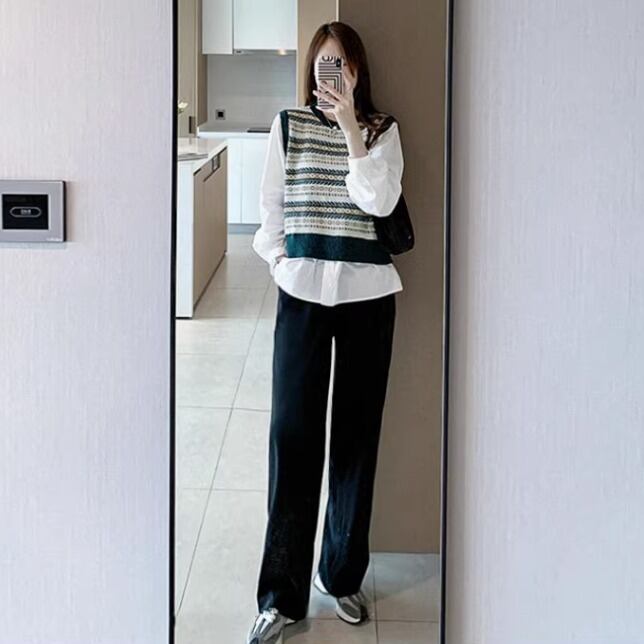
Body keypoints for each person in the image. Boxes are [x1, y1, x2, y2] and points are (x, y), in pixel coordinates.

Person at [246, 20, 404, 644]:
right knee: (292, 437)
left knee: (357, 441)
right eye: (324, 63)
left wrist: (350, 131)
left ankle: (339, 576)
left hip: (369, 298)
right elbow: (270, 210)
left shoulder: (382, 130)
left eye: (343, 63)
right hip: (302, 295)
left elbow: (381, 203)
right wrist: (280, 262)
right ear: (311, 69)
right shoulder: (288, 126)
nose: (332, 73)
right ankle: (280, 596)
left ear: (358, 71)